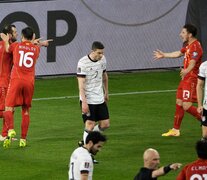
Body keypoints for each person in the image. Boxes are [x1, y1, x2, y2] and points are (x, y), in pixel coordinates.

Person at [0, 26, 51, 148]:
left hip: (16, 80)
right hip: (29, 82)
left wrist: (6, 40)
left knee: (8, 107)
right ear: (32, 37)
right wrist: (40, 44)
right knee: (26, 111)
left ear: (22, 36)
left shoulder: (16, 46)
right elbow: (30, 48)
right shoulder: (35, 49)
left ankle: (10, 129)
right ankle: (23, 139)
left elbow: (8, 49)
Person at [153, 24, 203, 136]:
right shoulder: (188, 45)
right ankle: (175, 130)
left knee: (187, 106)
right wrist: (164, 55)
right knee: (179, 102)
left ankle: (204, 119)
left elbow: (193, 63)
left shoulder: (196, 47)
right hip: (186, 78)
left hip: (191, 79)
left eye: (183, 33)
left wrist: (186, 70)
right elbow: (179, 53)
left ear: (190, 34)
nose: (181, 35)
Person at [77, 41, 110, 145]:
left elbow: (104, 76)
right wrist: (84, 102)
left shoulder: (103, 60)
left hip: (99, 97)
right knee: (90, 125)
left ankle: (86, 140)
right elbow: (81, 85)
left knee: (105, 124)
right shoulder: (83, 63)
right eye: (99, 53)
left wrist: (106, 92)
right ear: (93, 51)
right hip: (88, 99)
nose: (101, 55)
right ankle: (87, 148)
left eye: (102, 53)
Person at [0, 24, 18, 141]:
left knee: (8, 109)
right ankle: (4, 135)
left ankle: (4, 134)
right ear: (9, 35)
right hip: (4, 82)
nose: (17, 34)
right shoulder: (10, 47)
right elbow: (22, 49)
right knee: (7, 109)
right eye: (15, 32)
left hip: (3, 81)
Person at [196, 61, 207, 140]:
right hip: (206, 105)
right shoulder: (204, 65)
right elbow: (199, 85)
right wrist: (199, 105)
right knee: (205, 135)